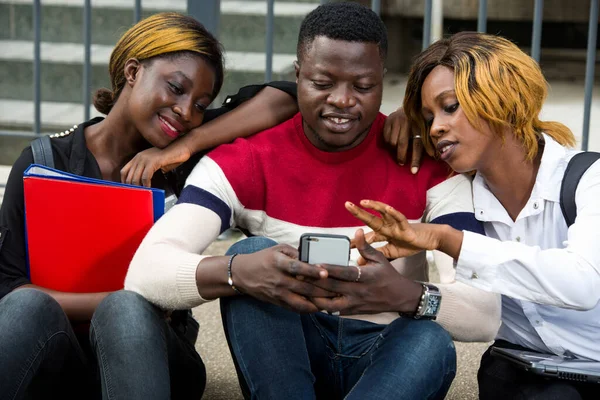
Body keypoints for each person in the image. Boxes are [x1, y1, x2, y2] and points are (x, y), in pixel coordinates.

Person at [126, 4, 501, 399]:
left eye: (362, 86)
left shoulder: (423, 163)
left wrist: (402, 295)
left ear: (381, 83)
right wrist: (239, 272)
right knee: (251, 255)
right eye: (323, 82)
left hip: (389, 350)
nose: (342, 100)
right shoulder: (247, 161)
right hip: (293, 348)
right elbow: (146, 272)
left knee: (429, 340)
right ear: (298, 76)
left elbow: (486, 312)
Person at [0, 12, 302, 400]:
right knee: (30, 306)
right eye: (176, 88)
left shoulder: (183, 160)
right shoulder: (45, 161)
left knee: (126, 313)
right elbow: (8, 288)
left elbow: (286, 99)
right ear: (132, 71)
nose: (186, 110)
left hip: (154, 354)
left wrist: (187, 145)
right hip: (61, 357)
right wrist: (120, 298)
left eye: (200, 104)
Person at [346, 31, 600, 399]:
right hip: (522, 377)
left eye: (450, 107)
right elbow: (474, 312)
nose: (435, 128)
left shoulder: (588, 180)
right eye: (428, 117)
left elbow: (582, 284)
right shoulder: (456, 198)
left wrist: (447, 240)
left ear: (503, 98)